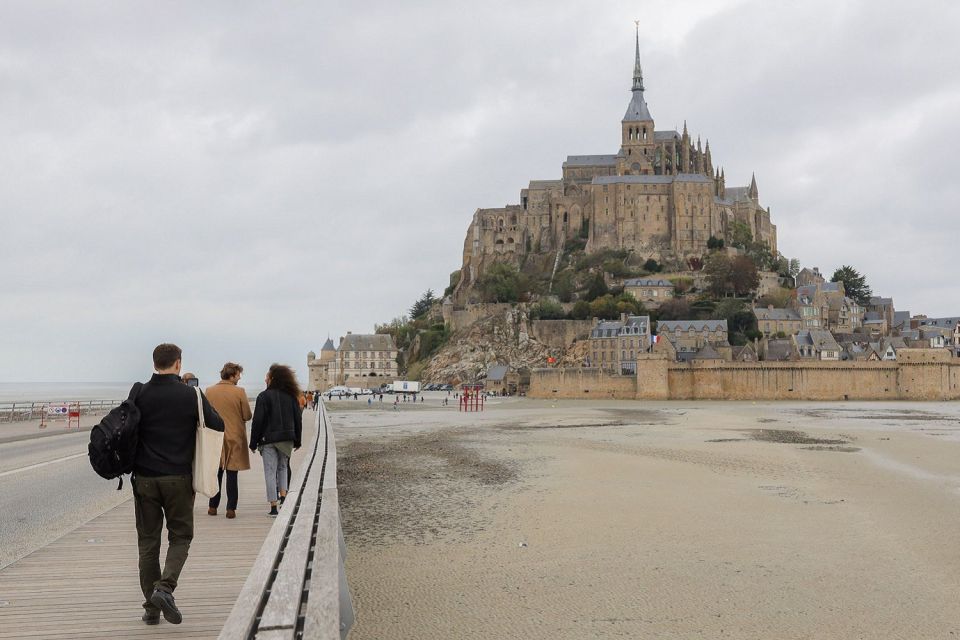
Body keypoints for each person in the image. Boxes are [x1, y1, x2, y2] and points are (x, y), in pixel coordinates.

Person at [133, 343, 224, 626]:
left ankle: (151, 609)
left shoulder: (139, 392)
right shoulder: (191, 394)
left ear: (155, 363)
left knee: (148, 543)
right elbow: (218, 425)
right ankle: (165, 588)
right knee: (180, 536)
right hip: (178, 478)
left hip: (145, 478)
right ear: (178, 364)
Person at [250, 364, 303, 517]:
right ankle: (284, 498)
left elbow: (257, 421)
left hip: (267, 440)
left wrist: (253, 442)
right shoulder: (291, 396)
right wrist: (298, 440)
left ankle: (274, 507)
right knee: (283, 468)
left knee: (270, 471)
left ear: (273, 378)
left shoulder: (263, 396)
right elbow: (297, 419)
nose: (265, 379)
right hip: (286, 438)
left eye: (267, 376)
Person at [205, 362, 253, 520]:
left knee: (216, 473)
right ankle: (230, 509)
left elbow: (205, 415)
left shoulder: (209, 391)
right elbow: (247, 415)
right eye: (238, 374)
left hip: (215, 436)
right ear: (232, 375)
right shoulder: (239, 392)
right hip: (234, 436)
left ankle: (213, 506)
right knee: (232, 474)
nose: (239, 377)